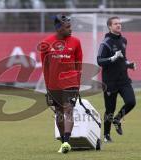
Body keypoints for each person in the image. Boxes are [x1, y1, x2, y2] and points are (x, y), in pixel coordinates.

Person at [40, 14, 83, 153]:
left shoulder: (76, 42)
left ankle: (66, 141)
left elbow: (79, 65)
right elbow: (45, 67)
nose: (71, 29)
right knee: (58, 113)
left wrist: (77, 85)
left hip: (70, 83)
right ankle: (64, 142)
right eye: (67, 27)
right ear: (58, 28)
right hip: (54, 85)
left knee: (68, 110)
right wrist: (48, 87)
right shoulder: (46, 43)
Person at [97, 16, 136, 142]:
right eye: (115, 24)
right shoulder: (105, 42)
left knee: (131, 102)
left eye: (119, 23)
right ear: (110, 26)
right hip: (110, 82)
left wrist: (129, 64)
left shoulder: (124, 40)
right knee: (109, 109)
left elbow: (123, 59)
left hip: (123, 80)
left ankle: (117, 119)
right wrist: (112, 58)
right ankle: (106, 135)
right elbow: (99, 61)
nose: (119, 25)